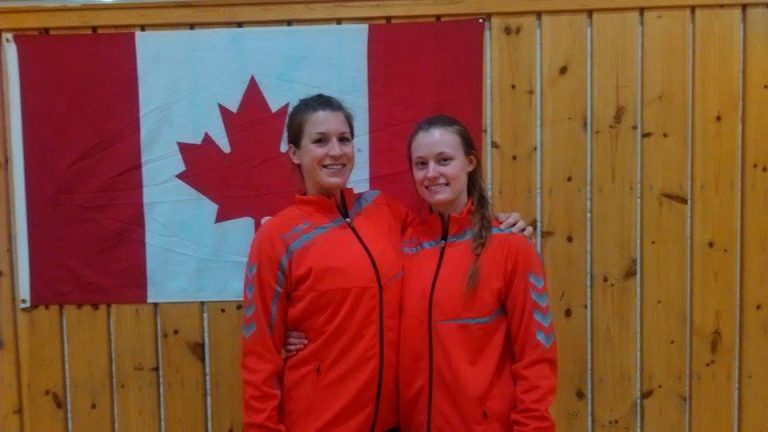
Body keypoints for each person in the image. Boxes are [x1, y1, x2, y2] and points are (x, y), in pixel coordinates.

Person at [241, 95, 531, 431]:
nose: (335, 151)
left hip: (396, 421)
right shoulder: (276, 237)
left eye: (344, 139)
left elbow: (449, 233)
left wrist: (502, 224)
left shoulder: (384, 211)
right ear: (294, 152)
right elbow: (259, 355)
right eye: (320, 141)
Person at [398, 115, 556, 431]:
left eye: (444, 160)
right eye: (421, 163)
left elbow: (536, 359)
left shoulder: (511, 247)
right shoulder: (403, 245)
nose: (432, 174)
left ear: (469, 162)